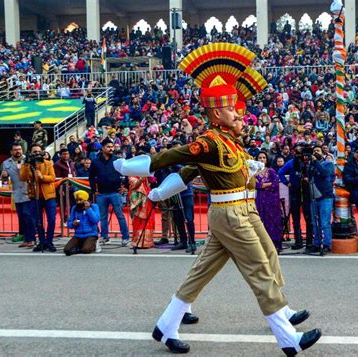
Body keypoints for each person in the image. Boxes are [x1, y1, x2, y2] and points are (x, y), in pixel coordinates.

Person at [114, 44, 320, 356]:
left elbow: (192, 174)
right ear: (215, 113)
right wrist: (129, 167)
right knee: (259, 269)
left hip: (240, 211)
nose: (238, 112)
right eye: (231, 108)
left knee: (205, 271)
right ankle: (288, 337)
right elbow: (174, 160)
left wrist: (252, 172)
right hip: (230, 214)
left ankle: (166, 324)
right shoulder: (208, 142)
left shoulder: (232, 144)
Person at [89, 137, 130, 246]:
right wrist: (94, 190)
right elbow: (91, 177)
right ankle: (105, 237)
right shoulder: (95, 162)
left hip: (115, 192)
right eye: (108, 147)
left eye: (112, 147)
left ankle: (125, 237)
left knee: (120, 215)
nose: (111, 149)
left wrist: (125, 187)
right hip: (101, 193)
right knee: (103, 217)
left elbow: (126, 173)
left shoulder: (117, 160)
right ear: (102, 148)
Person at [19, 144, 57, 252]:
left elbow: (52, 177)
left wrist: (42, 177)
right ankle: (42, 242)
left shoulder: (48, 163)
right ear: (30, 153)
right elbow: (22, 177)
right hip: (35, 196)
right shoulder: (26, 164)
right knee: (38, 221)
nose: (36, 153)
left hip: (49, 196)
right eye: (34, 151)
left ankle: (49, 241)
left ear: (42, 152)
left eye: (38, 151)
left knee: (52, 220)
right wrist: (27, 165)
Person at [1, 143, 36, 248]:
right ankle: (26, 238)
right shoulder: (6, 163)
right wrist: (4, 177)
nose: (18, 151)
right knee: (22, 217)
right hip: (17, 194)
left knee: (28, 215)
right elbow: (4, 181)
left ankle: (32, 239)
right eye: (15, 150)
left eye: (20, 149)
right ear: (11, 151)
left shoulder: (28, 160)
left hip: (29, 192)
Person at [307, 146, 335, 255]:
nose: (315, 152)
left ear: (323, 153)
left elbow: (324, 173)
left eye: (317, 151)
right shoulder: (311, 165)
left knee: (324, 223)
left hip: (325, 197)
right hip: (314, 196)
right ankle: (317, 243)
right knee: (315, 223)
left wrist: (316, 161)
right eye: (314, 151)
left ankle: (327, 244)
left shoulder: (328, 163)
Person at [255, 151, 282, 253]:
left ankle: (274, 245)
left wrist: (263, 185)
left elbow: (275, 183)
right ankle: (262, 246)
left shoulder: (271, 171)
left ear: (267, 159)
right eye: (260, 158)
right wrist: (266, 184)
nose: (262, 159)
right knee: (261, 221)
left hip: (271, 201)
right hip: (260, 201)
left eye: (264, 157)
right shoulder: (254, 172)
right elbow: (255, 185)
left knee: (272, 221)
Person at [64, 190, 100, 256]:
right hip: (78, 235)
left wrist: (88, 209)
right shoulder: (74, 208)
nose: (78, 202)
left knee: (86, 250)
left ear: (85, 200)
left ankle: (94, 244)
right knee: (67, 250)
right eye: (77, 200)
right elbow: (69, 223)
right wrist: (73, 224)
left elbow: (96, 220)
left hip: (91, 234)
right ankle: (80, 247)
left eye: (80, 200)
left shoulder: (94, 206)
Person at [129, 174, 156, 249]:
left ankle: (147, 242)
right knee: (138, 221)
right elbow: (134, 184)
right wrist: (141, 178)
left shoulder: (145, 175)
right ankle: (138, 242)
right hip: (137, 201)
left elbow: (152, 181)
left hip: (147, 199)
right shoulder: (131, 174)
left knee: (147, 219)